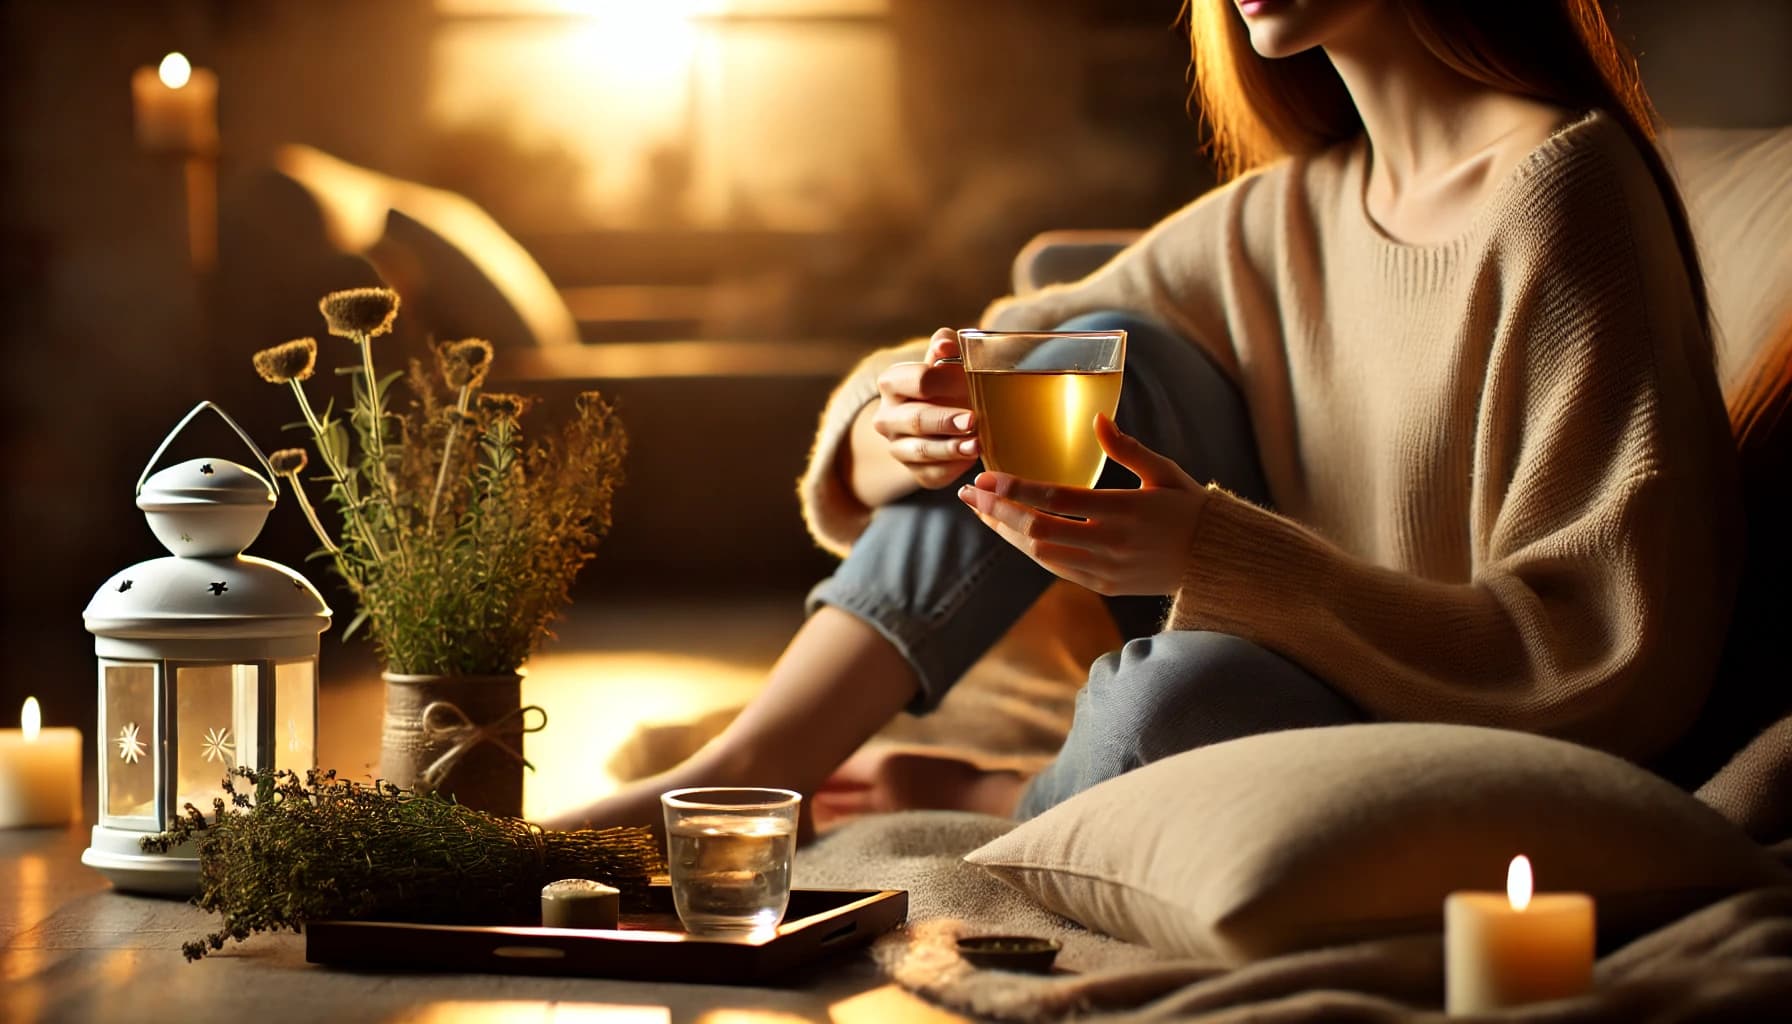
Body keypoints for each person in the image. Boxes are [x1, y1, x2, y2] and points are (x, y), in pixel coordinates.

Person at [546, 0, 1742, 834]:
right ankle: (745, 772)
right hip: (1286, 659)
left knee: (1169, 702)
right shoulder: (1292, 210)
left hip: (1459, 721)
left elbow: (1612, 654)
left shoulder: (1560, 196)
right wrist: (885, 422)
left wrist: (1210, 551)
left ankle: (984, 797)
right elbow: (1024, 336)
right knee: (1084, 363)